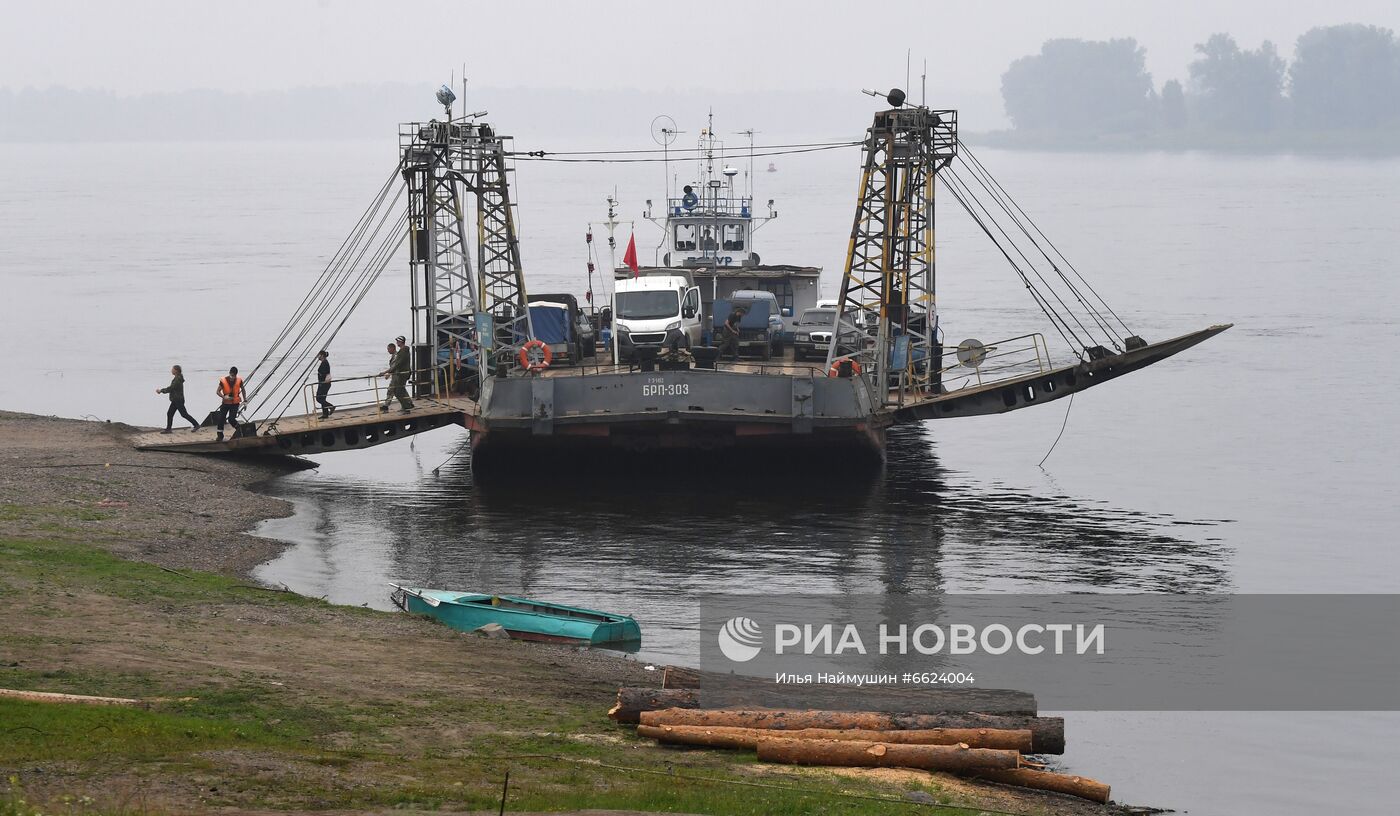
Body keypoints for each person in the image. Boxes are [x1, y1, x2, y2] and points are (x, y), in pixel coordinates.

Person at [156, 365, 199, 433]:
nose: (171, 371)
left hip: (178, 400)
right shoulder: (177, 378)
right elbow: (172, 388)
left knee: (184, 414)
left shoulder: (178, 379)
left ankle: (196, 425)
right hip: (175, 400)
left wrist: (161, 391)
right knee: (170, 413)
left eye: (172, 369)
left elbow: (171, 388)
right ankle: (168, 429)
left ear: (176, 370)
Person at [380, 336, 414, 413]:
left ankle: (406, 406)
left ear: (401, 342)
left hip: (401, 374)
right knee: (399, 390)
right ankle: (407, 405)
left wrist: (387, 372)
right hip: (400, 374)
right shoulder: (402, 352)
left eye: (398, 341)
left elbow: (397, 364)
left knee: (397, 391)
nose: (397, 343)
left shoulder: (403, 351)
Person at [214, 366, 245, 442]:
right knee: (221, 418)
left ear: (236, 375)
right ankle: (220, 435)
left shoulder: (239, 380)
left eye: (234, 376)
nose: (232, 377)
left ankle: (239, 429)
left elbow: (243, 390)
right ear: (229, 373)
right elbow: (218, 391)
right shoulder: (224, 381)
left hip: (235, 403)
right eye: (231, 375)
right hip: (225, 403)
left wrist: (245, 400)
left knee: (231, 419)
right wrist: (224, 397)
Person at [315, 350, 335, 419]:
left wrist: (320, 374)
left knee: (319, 398)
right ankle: (325, 414)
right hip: (323, 383)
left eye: (319, 355)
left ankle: (331, 406)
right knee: (322, 398)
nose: (318, 356)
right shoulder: (324, 362)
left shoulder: (325, 363)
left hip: (324, 384)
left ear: (322, 355)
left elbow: (324, 373)